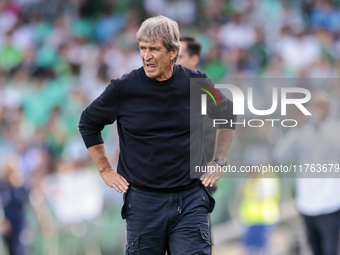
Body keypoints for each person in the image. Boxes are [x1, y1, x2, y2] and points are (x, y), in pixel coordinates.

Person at [79, 15, 236, 255]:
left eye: (155, 49)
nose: (146, 55)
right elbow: (88, 122)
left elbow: (227, 114)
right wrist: (105, 169)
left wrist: (219, 160)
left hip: (190, 199)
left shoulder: (197, 83)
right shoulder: (124, 88)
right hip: (143, 204)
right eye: (142, 48)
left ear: (174, 52)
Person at [274, 90, 340, 255]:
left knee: (330, 250)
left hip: (331, 203)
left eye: (321, 105)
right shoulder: (302, 131)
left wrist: (321, 126)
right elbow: (280, 155)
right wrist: (297, 128)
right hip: (307, 203)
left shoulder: (334, 128)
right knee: (314, 249)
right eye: (314, 105)